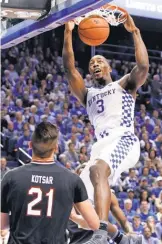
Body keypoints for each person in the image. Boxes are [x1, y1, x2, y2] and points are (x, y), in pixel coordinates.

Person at [63, 13, 149, 244]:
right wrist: (68, 31)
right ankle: (124, 239)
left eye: (99, 61)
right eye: (92, 63)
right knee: (75, 201)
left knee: (97, 170)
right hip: (101, 148)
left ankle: (100, 233)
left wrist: (135, 32)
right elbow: (70, 70)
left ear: (108, 67)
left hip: (124, 140)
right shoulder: (87, 94)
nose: (95, 65)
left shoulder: (124, 85)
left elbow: (142, 66)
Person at [1, 122, 100, 244]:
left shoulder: (11, 177)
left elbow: (3, 226)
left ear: (31, 145)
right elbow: (94, 224)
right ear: (56, 148)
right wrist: (74, 217)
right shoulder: (72, 180)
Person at [67, 164, 134, 244]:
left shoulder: (106, 193)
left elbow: (123, 220)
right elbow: (78, 219)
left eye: (86, 174)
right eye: (81, 174)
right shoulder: (69, 193)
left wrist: (130, 232)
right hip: (79, 240)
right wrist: (118, 236)